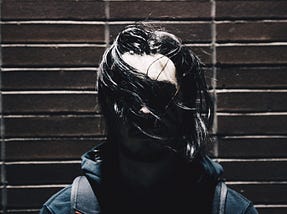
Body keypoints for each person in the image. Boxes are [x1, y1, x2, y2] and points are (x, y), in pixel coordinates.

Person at [40, 25, 258, 214]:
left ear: (185, 108)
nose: (144, 110)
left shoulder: (232, 210)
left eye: (160, 94)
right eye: (130, 94)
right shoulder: (64, 210)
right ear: (108, 108)